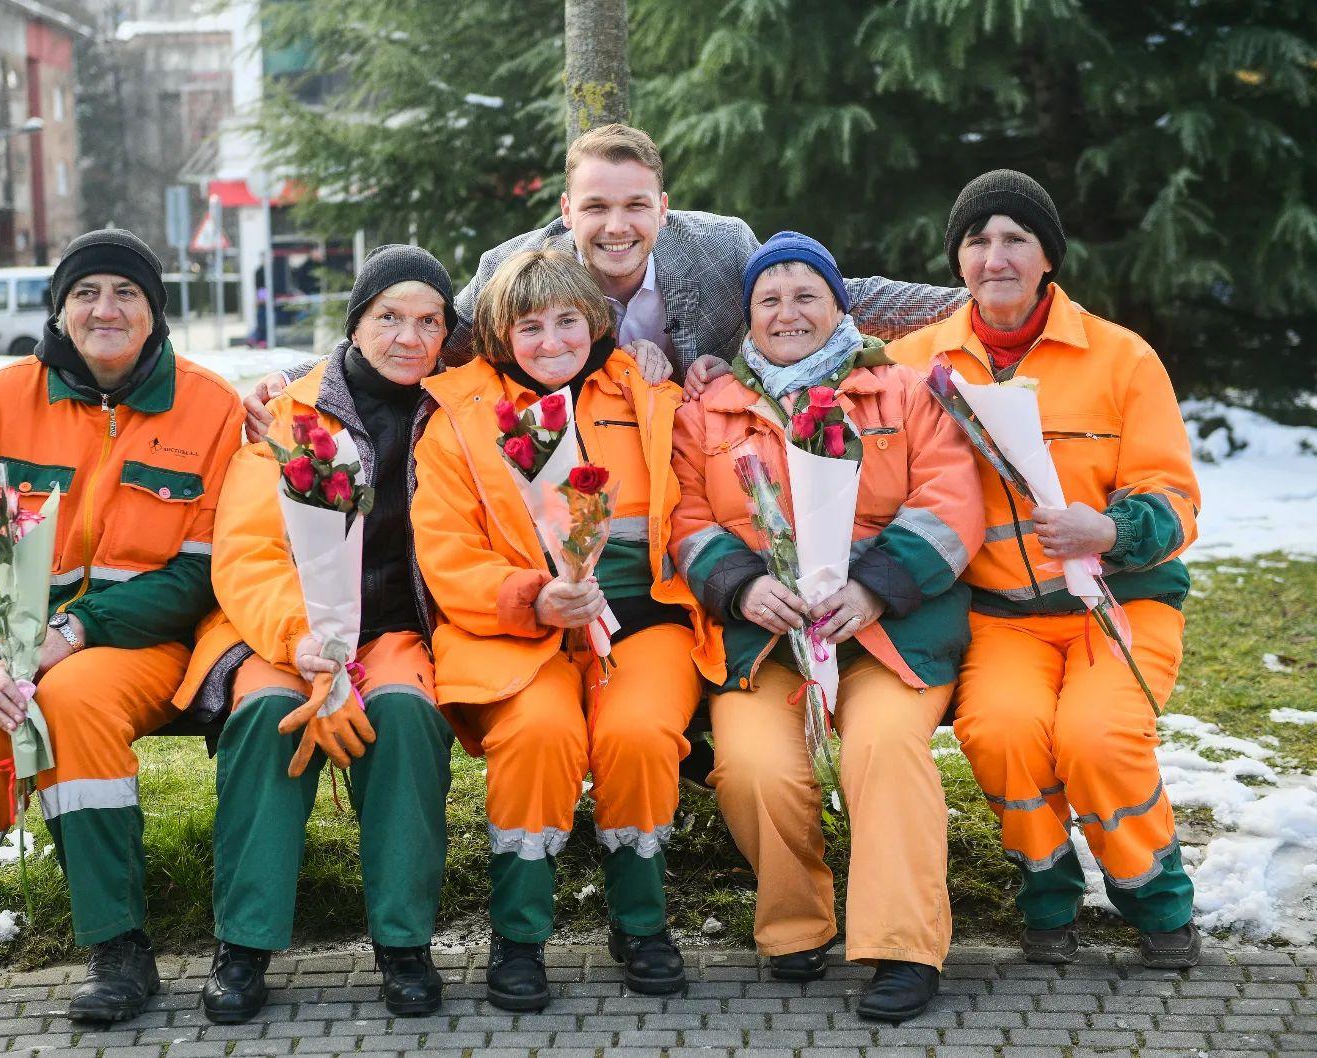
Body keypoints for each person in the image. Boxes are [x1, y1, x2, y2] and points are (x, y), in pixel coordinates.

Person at [0, 230, 245, 1020]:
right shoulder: (5, 399)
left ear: (156, 314)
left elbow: (199, 572)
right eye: (85, 293)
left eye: (125, 294)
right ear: (60, 308)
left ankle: (119, 950)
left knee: (71, 703)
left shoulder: (209, 407)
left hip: (135, 642)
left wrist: (73, 632)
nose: (103, 309)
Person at [886, 170, 1203, 968]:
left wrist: (1114, 527)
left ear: (1048, 256)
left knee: (1097, 740)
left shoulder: (1120, 357)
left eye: (1015, 239)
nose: (996, 257)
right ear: (958, 260)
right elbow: (822, 397)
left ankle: (1154, 898)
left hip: (1116, 604)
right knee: (1003, 734)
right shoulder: (912, 362)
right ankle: (1047, 890)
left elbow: (1176, 498)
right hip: (1001, 616)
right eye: (977, 240)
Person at [669, 231, 984, 1022]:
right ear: (747, 319)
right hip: (765, 637)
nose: (788, 312)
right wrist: (740, 589)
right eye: (768, 299)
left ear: (840, 305)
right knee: (750, 765)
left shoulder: (903, 392)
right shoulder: (709, 409)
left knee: (882, 748)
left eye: (807, 294)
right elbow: (686, 515)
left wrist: (874, 589)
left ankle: (903, 949)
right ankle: (796, 924)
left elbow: (951, 504)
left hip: (886, 631)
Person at [410, 248, 725, 1011]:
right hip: (517, 632)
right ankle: (519, 936)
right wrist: (533, 596)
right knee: (540, 736)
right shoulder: (458, 415)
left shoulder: (645, 390)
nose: (552, 341)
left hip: (643, 620)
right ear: (497, 333)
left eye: (568, 321)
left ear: (597, 322)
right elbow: (446, 553)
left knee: (640, 734)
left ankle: (641, 924)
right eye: (530, 327)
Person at [242, 123, 970, 440]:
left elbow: (841, 293)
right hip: (553, 457)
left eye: (633, 206)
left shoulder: (720, 248)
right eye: (595, 207)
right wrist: (295, 381)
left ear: (662, 206)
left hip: (688, 460)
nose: (614, 226)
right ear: (567, 212)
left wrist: (980, 303)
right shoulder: (514, 270)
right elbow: (433, 340)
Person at [175, 245, 458, 1022]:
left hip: (396, 630)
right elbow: (247, 552)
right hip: (278, 631)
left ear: (447, 332)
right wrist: (301, 641)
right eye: (389, 317)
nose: (408, 336)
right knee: (269, 718)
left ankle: (404, 943)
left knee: (401, 716)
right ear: (356, 324)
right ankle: (244, 943)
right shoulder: (290, 411)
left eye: (428, 320)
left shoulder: (455, 410)